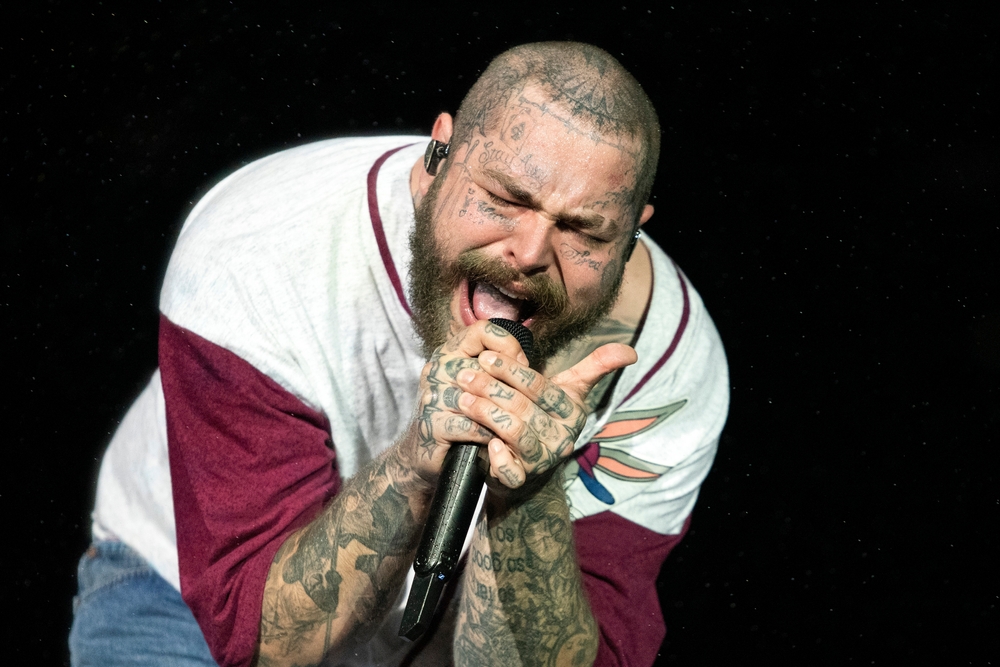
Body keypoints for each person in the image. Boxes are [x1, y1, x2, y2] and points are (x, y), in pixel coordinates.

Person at [70, 42, 729, 667]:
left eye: (583, 228)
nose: (529, 253)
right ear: (438, 151)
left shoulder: (674, 368)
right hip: (181, 599)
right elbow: (260, 639)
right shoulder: (261, 246)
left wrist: (525, 497)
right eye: (504, 197)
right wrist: (421, 457)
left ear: (631, 233)